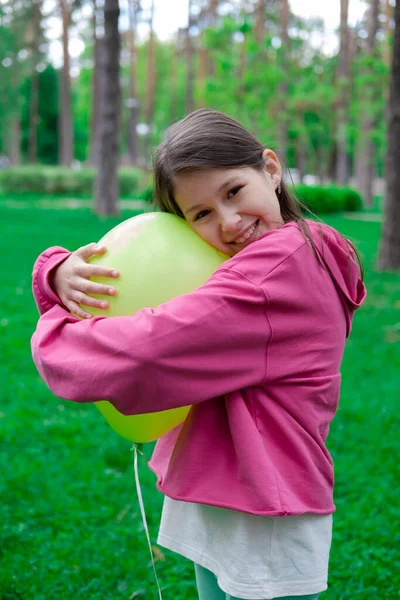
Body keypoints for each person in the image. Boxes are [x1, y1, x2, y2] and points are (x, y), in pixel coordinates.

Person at [31, 109, 366, 600]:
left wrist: (54, 331)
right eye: (201, 214)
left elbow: (149, 351)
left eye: (233, 191)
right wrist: (58, 275)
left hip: (264, 509)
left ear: (270, 169)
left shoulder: (278, 269)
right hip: (220, 483)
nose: (229, 223)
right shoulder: (259, 260)